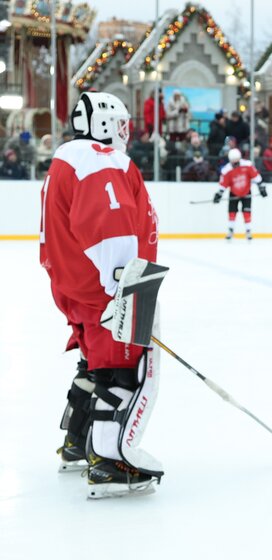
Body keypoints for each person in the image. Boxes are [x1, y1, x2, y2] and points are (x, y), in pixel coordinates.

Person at [40, 91, 163, 498]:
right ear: (103, 124)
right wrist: (123, 289)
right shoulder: (99, 158)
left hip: (76, 284)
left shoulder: (68, 158)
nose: (125, 131)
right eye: (120, 123)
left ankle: (78, 443)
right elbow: (110, 226)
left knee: (95, 365)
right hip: (106, 287)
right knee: (120, 370)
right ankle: (109, 463)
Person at [213, 148, 267, 240]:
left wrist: (261, 187)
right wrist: (219, 194)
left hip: (246, 192)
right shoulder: (226, 170)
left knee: (247, 212)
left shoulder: (247, 165)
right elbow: (223, 184)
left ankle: (248, 231)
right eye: (233, 162)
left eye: (236, 162)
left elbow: (256, 177)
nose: (235, 164)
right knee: (232, 212)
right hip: (234, 193)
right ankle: (230, 230)